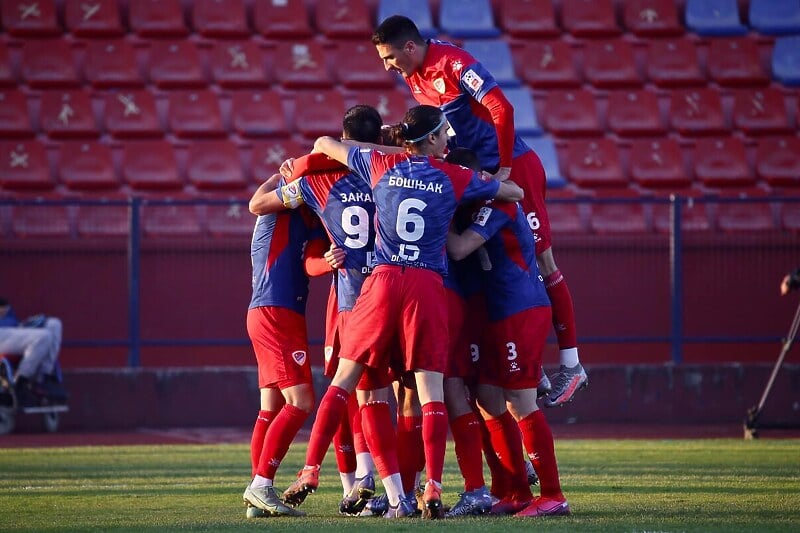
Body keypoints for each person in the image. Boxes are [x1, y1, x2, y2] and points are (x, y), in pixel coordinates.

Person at [281, 104, 524, 519]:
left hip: (382, 279)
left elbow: (324, 143)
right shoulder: (453, 175)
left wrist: (386, 150)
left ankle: (309, 472)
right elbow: (513, 194)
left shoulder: (376, 162)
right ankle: (432, 487)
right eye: (443, 133)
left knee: (344, 381)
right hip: (427, 284)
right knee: (430, 392)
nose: (449, 139)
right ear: (429, 139)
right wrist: (491, 179)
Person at [372, 15, 587, 408]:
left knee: (541, 260)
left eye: (388, 57)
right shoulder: (413, 76)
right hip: (478, 174)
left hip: (510, 168)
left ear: (409, 47)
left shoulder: (452, 63)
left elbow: (501, 107)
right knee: (487, 259)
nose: (387, 66)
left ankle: (571, 364)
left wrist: (504, 166)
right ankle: (532, 363)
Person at [446, 168, 570, 517]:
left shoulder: (497, 206)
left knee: (520, 399)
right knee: (486, 396)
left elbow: (458, 248)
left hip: (520, 308)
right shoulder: (480, 206)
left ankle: (553, 495)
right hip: (498, 312)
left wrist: (434, 213)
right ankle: (515, 490)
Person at [240, 177, 331, 518]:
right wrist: (281, 176)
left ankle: (257, 490)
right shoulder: (287, 203)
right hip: (278, 312)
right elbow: (257, 202)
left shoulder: (309, 216)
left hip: (265, 311)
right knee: (302, 402)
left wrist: (329, 260)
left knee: (271, 407)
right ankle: (261, 484)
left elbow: (312, 261)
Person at [0, 297, 64, 407]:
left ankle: (43, 377)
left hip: (12, 326)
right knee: (44, 336)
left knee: (54, 324)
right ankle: (21, 381)